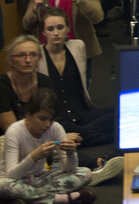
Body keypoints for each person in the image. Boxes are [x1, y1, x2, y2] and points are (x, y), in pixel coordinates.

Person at [0, 88, 95, 203]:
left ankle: (32, 198)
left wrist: (71, 153)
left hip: (41, 179)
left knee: (85, 173)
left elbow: (68, 169)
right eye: (42, 119)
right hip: (14, 180)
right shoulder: (14, 131)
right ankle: (63, 198)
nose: (47, 125)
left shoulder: (56, 128)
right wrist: (33, 157)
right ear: (28, 115)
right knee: (3, 185)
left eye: (51, 120)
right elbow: (11, 175)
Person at [36, 8, 113, 148]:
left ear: (67, 29)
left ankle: (74, 138)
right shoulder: (38, 56)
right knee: (114, 133)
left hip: (83, 114)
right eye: (50, 29)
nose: (56, 33)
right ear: (43, 32)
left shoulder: (77, 46)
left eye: (60, 27)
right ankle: (102, 138)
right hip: (58, 120)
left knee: (120, 112)